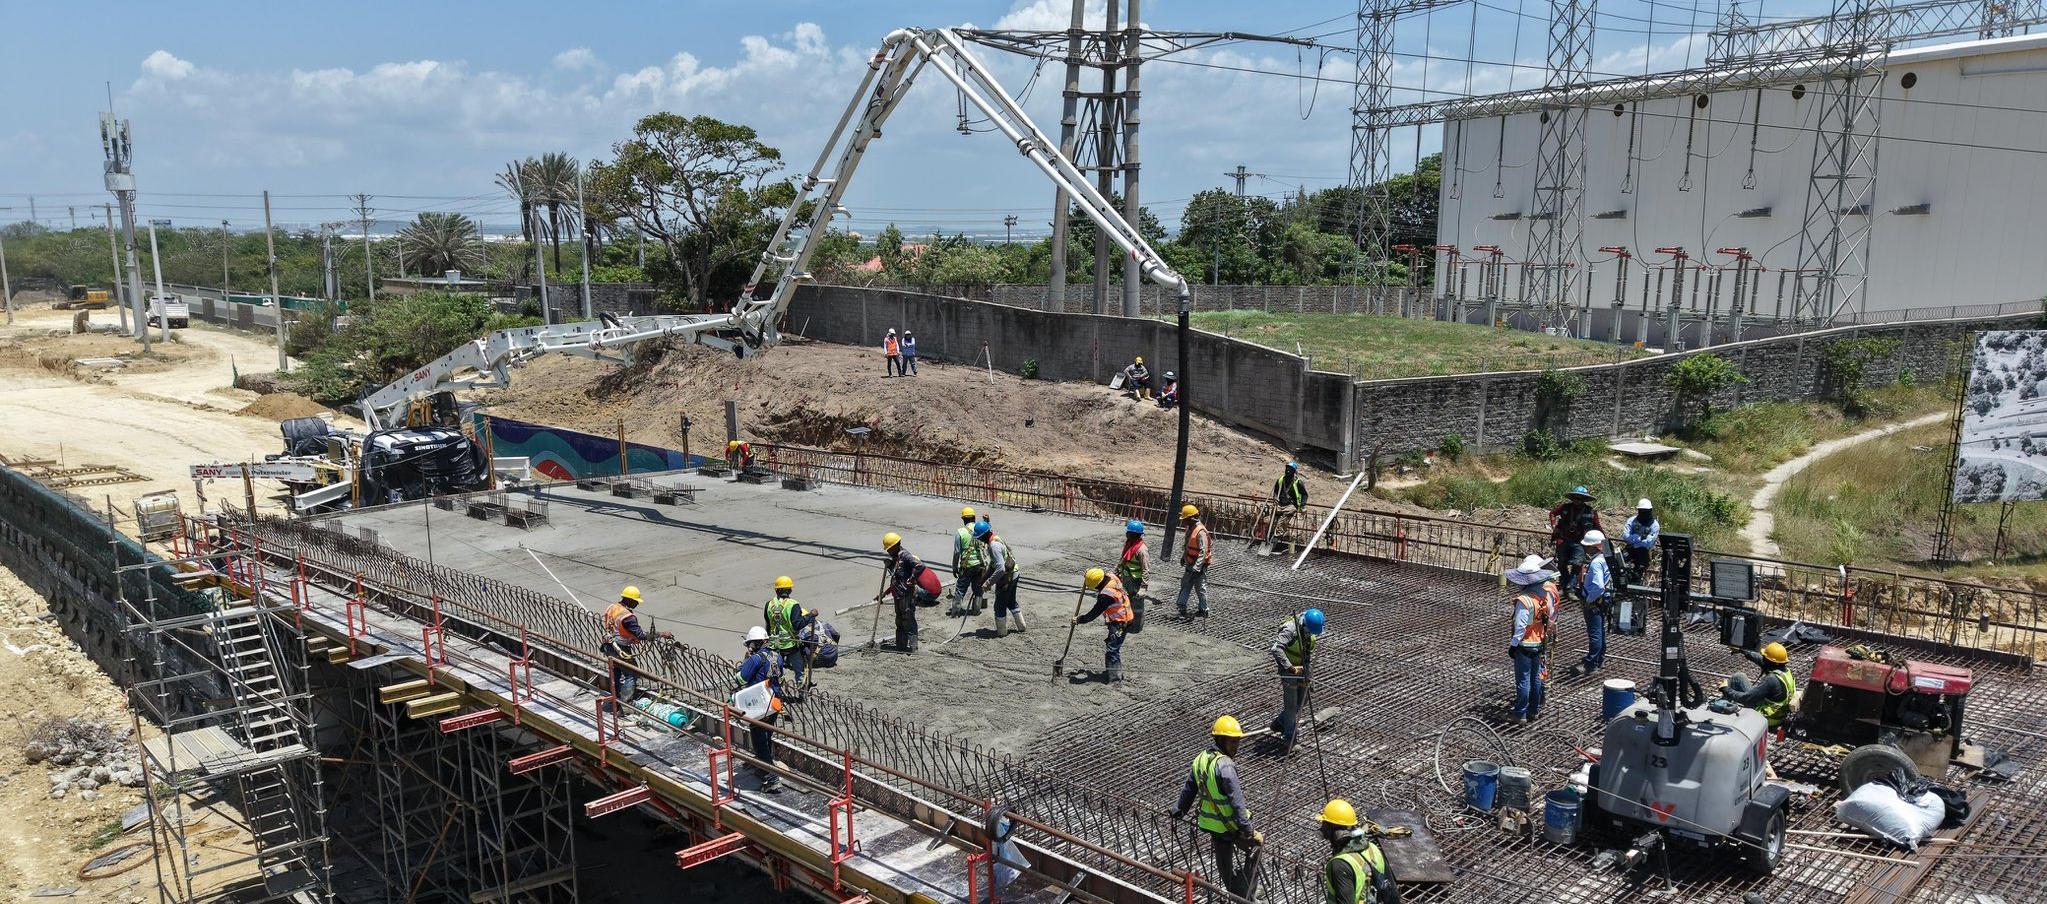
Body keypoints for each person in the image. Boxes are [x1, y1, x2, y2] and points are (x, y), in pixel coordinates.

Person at [1171, 716, 1262, 898]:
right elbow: (1237, 803)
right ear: (1220, 740)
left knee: (1224, 865)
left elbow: (1190, 788)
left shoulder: (1201, 759)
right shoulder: (1226, 766)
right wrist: (1249, 831)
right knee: (1256, 847)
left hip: (1212, 826)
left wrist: (1178, 810)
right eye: (1232, 742)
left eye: (1237, 742)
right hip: (1231, 826)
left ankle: (1234, 889)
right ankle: (1247, 893)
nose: (1236, 746)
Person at [1505, 555, 1558, 723]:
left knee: (1523, 681)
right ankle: (1534, 711)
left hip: (1525, 645)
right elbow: (1549, 618)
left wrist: (1513, 645)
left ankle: (1520, 713)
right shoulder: (1545, 596)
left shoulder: (1524, 600)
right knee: (1536, 679)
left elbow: (1521, 627)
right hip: (1539, 643)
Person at [732, 626, 785, 792]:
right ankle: (764, 766)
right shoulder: (777, 656)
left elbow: (740, 679)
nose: (750, 647)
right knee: (767, 736)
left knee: (759, 741)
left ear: (756, 643)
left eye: (751, 644)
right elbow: (780, 677)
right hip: (774, 701)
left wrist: (743, 665)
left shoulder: (755, 659)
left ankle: (772, 777)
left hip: (759, 704)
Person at [1267, 608, 1327, 753]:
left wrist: (1308, 675)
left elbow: (1307, 654)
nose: (1311, 635)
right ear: (1304, 625)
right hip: (1289, 671)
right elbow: (1276, 649)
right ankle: (1290, 739)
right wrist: (1290, 668)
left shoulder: (1309, 631)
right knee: (1291, 705)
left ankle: (1281, 722)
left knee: (1303, 700)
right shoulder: (1290, 630)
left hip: (1302, 668)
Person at [1318, 799, 1399, 904]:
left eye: (1324, 824)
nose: (1322, 828)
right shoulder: (1373, 848)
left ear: (1332, 829)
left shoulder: (1340, 865)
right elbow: (1392, 894)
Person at [602, 585, 668, 712]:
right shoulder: (628, 617)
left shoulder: (613, 607)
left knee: (615, 672)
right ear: (630, 600)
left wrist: (628, 636)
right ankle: (625, 705)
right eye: (636, 601)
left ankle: (614, 700)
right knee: (631, 674)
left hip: (608, 645)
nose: (637, 603)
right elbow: (641, 635)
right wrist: (661, 634)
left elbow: (616, 627)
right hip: (621, 649)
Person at [881, 532, 939, 652]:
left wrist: (912, 578)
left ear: (896, 545)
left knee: (909, 619)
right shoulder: (896, 557)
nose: (888, 552)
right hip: (898, 594)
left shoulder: (905, 555)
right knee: (899, 620)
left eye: (889, 549)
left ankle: (913, 647)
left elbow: (919, 566)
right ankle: (900, 646)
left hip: (906, 594)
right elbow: (896, 578)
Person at [1073, 567, 1134, 682]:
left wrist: (1079, 620)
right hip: (1123, 616)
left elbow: (1094, 613)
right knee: (1112, 645)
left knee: (1112, 649)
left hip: (1120, 622)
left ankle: (1115, 679)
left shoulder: (1106, 595)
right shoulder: (1111, 576)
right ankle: (1111, 671)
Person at [763, 575, 817, 701]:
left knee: (775, 670)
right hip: (791, 644)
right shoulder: (793, 605)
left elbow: (768, 624)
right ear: (790, 590)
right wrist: (811, 615)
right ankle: (802, 695)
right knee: (800, 670)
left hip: (775, 643)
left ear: (776, 590)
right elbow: (797, 625)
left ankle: (776, 694)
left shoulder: (769, 605)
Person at [1723, 641, 1798, 731]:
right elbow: (1761, 660)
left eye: (1765, 657)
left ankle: (1722, 707)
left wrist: (1725, 689)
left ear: (1771, 662)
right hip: (1779, 714)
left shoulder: (1771, 679)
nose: (1763, 658)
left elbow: (1746, 698)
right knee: (1739, 677)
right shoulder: (1785, 671)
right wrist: (1742, 650)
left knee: (1736, 679)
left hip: (1768, 718)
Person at [1569, 531, 1611, 677]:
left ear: (1594, 547)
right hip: (1602, 601)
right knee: (1600, 632)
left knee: (1595, 634)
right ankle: (1599, 659)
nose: (1586, 549)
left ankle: (1590, 664)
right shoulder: (1605, 558)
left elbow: (1598, 586)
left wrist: (1588, 600)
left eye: (1587, 546)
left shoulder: (1597, 563)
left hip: (1594, 603)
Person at [1547, 486, 1603, 575]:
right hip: (1564, 539)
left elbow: (1597, 526)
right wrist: (1554, 527)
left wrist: (1604, 540)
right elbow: (1552, 513)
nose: (1577, 500)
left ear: (1584, 499)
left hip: (1580, 541)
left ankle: (1571, 586)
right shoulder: (1565, 507)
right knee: (1561, 562)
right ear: (1572, 498)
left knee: (1577, 564)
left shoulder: (1590, 512)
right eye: (1576, 498)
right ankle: (1563, 583)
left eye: (1580, 498)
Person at [986, 526, 1024, 636]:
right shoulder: (996, 538)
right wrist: (985, 579)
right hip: (1014, 573)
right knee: (1011, 601)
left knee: (999, 605)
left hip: (1007, 578)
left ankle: (1002, 632)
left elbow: (1000, 569)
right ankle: (1022, 626)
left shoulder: (994, 547)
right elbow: (993, 565)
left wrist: (988, 583)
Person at [951, 507, 989, 616]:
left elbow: (957, 552)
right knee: (978, 589)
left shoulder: (960, 532)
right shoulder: (980, 529)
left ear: (963, 519)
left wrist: (954, 567)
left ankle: (955, 612)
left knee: (960, 589)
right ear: (974, 517)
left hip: (966, 566)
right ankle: (976, 610)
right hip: (980, 565)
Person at [1176, 504, 1213, 617]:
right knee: (1185, 584)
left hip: (1199, 566)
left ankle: (1204, 610)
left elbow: (1203, 551)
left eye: (1185, 519)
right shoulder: (1190, 529)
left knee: (1200, 587)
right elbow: (1187, 545)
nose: (1183, 521)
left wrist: (1197, 567)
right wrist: (1184, 557)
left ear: (1191, 518)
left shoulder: (1201, 531)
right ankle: (1181, 607)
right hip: (1190, 562)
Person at [1115, 519, 1151, 631]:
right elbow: (1123, 560)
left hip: (1136, 582)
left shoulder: (1142, 550)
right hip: (1127, 579)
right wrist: (1116, 572)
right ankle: (1125, 623)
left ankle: (1136, 627)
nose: (1126, 534)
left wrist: (1144, 588)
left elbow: (1146, 569)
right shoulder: (1129, 544)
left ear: (1133, 534)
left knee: (1137, 606)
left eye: (1128, 532)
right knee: (1124, 602)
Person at [1272, 461, 1310, 553]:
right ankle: (1271, 536)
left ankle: (1275, 539)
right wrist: (1275, 497)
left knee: (1282, 521)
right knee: (1271, 518)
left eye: (1290, 469)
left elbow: (1305, 495)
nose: (1288, 471)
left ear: (1294, 471)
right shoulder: (1281, 480)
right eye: (1287, 469)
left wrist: (1303, 505)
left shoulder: (1298, 482)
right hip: (1280, 504)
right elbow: (1276, 490)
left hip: (1291, 505)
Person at [1620, 498, 1659, 583]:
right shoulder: (1632, 520)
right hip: (1630, 549)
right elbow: (1625, 536)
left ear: (1650, 510)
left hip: (1643, 552)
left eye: (1646, 511)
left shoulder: (1654, 525)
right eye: (1641, 511)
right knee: (1619, 563)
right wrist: (1639, 538)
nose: (1643, 513)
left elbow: (1648, 543)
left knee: (1639, 570)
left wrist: (1633, 540)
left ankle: (1635, 585)